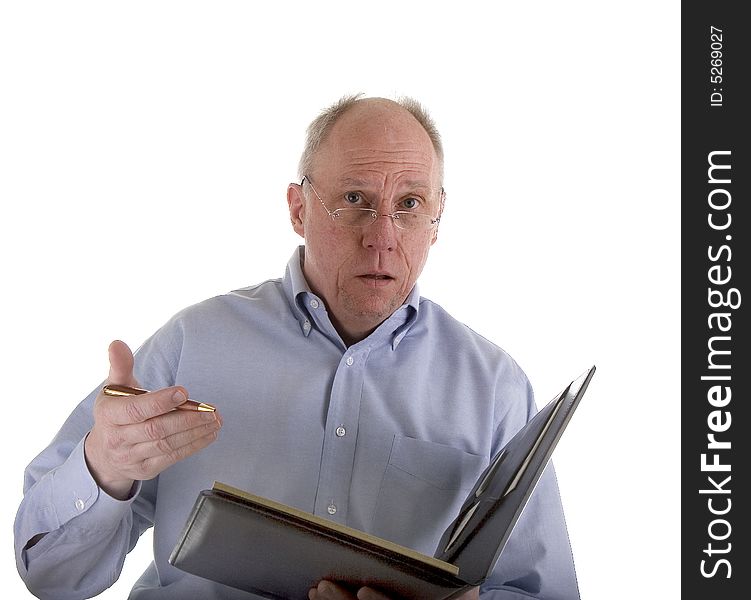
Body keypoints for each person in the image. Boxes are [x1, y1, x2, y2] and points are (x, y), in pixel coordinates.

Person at [14, 95, 580, 600]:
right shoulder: (192, 344)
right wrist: (105, 467)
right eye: (354, 198)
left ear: (437, 220)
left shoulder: (495, 388)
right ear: (298, 209)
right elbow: (51, 577)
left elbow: (542, 592)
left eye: (408, 204)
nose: (382, 235)